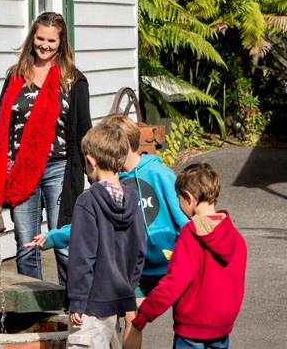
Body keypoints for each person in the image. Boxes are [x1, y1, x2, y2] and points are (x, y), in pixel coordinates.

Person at [0, 12, 92, 286]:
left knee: (63, 242)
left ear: (61, 43)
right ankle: (34, 310)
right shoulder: (15, 76)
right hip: (19, 168)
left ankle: (73, 309)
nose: (44, 45)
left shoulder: (73, 81)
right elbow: (0, 121)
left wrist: (94, 173)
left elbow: (84, 131)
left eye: (51, 41)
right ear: (32, 37)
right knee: (26, 245)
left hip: (59, 168)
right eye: (40, 38)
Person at [125, 163, 247, 349]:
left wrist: (144, 315)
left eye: (178, 199)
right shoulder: (235, 236)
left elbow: (174, 282)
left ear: (189, 197)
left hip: (191, 330)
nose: (179, 204)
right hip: (222, 329)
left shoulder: (191, 233)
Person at [101, 113, 189, 345]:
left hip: (171, 266)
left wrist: (185, 257)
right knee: (133, 320)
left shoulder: (160, 174)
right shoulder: (114, 180)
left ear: (127, 145)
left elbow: (185, 221)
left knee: (185, 324)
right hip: (137, 270)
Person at [64, 122, 145, 349]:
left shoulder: (87, 202)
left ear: (91, 161)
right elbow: (140, 251)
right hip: (115, 304)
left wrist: (77, 301)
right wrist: (126, 288)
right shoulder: (133, 199)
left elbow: (82, 257)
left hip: (89, 307)